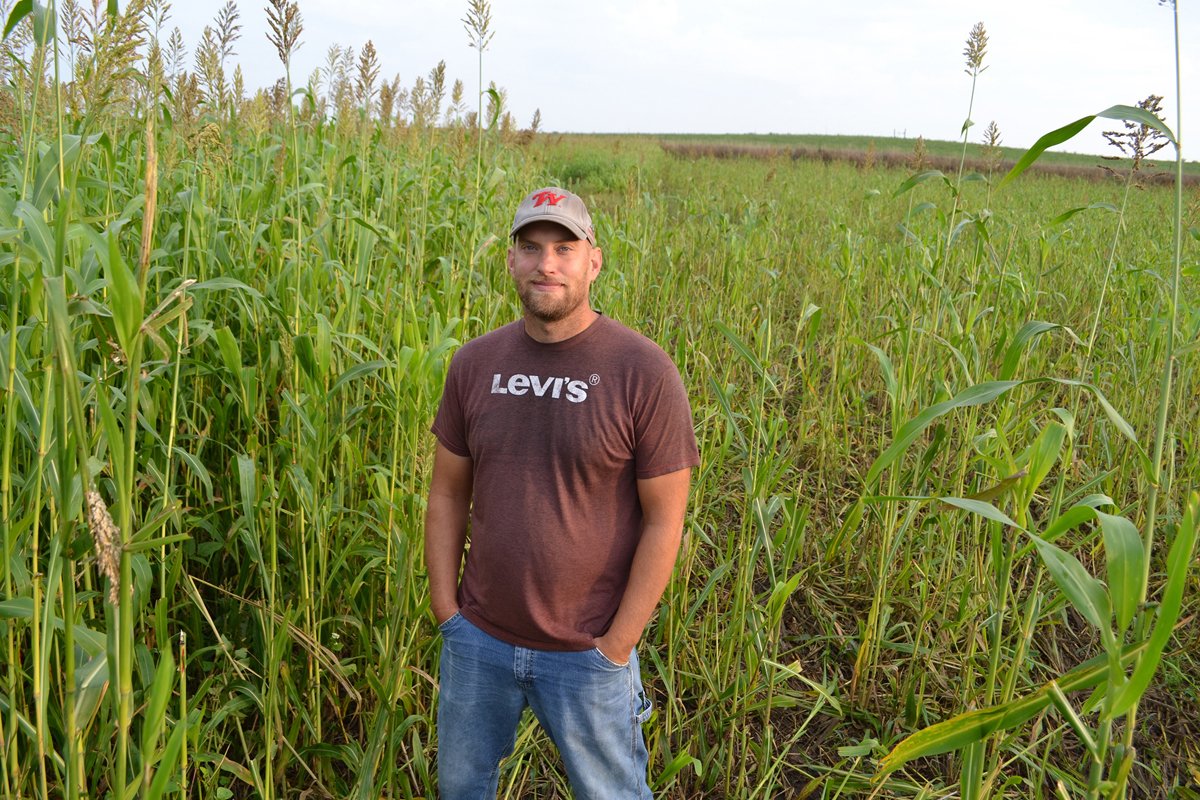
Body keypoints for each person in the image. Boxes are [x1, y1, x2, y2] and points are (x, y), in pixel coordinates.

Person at [425, 186, 700, 799]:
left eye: (563, 248)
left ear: (593, 262)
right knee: (460, 789)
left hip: (588, 655)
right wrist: (450, 614)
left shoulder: (643, 371)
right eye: (531, 247)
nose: (546, 263)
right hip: (480, 644)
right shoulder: (474, 364)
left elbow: (665, 521)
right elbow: (446, 494)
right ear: (511, 261)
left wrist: (615, 646)